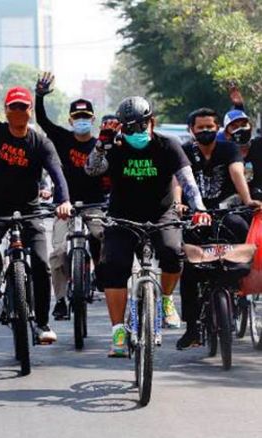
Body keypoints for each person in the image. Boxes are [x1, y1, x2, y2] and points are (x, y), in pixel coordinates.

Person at [0, 44, 72, 344]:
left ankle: (43, 324)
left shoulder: (40, 142)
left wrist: (64, 201)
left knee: (42, 264)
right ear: (6, 111)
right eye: (14, 107)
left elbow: (57, 172)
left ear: (29, 110)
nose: (19, 112)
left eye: (24, 107)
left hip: (30, 209)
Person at [84, 96, 210, 357]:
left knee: (173, 251)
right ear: (121, 127)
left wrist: (199, 208)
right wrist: (101, 144)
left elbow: (187, 182)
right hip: (122, 216)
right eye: (128, 128)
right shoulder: (114, 147)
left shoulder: (168, 146)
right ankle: (118, 331)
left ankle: (165, 300)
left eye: (140, 126)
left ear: (151, 122)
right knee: (113, 266)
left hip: (161, 213)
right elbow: (91, 170)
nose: (135, 133)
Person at [176, 107, 261, 349]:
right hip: (195, 215)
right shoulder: (184, 152)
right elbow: (178, 181)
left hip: (226, 212)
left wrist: (247, 201)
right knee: (190, 270)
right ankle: (192, 328)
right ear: (191, 130)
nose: (205, 131)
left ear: (218, 129)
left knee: (241, 237)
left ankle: (237, 290)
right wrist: (178, 204)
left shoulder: (229, 149)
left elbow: (237, 174)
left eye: (210, 127)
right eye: (200, 128)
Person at [34, 72, 107, 320]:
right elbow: (42, 121)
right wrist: (40, 96)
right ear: (70, 119)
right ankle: (62, 299)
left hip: (95, 206)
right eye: (77, 117)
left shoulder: (100, 145)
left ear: (93, 119)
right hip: (64, 206)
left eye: (86, 117)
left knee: (102, 235)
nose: (82, 120)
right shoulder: (62, 139)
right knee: (58, 253)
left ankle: (100, 273)